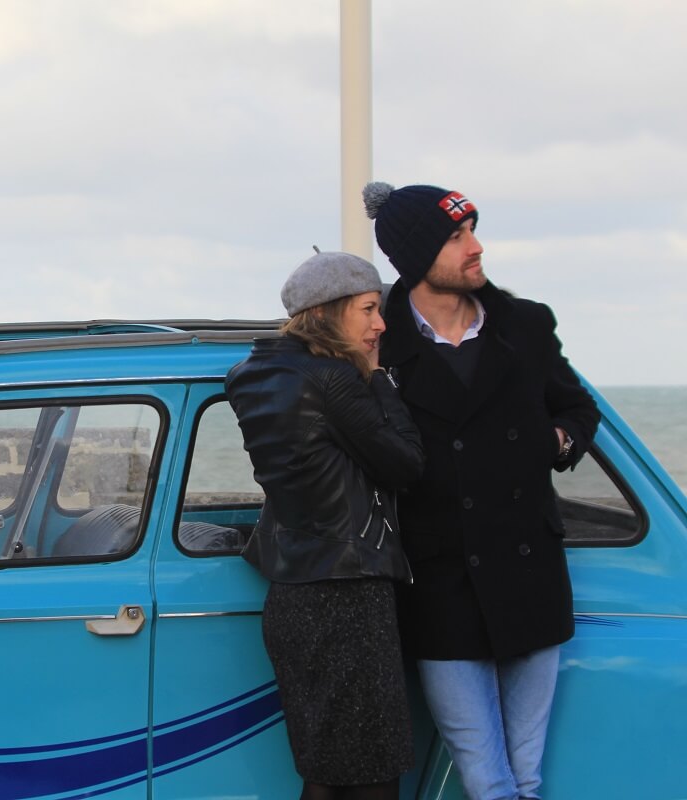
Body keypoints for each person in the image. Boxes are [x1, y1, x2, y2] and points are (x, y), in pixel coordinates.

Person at [363, 181, 601, 800]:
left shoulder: (521, 325)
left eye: (473, 229)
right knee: (488, 779)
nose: (476, 246)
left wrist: (554, 444)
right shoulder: (378, 340)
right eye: (456, 235)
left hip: (530, 571)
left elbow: (577, 408)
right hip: (440, 581)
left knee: (525, 775)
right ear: (417, 256)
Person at [225, 250, 425, 800]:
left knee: (328, 770)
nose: (379, 324)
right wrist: (381, 379)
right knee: (372, 776)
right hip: (349, 594)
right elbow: (407, 464)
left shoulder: (250, 375)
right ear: (330, 311)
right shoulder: (334, 379)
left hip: (294, 596)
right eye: (367, 309)